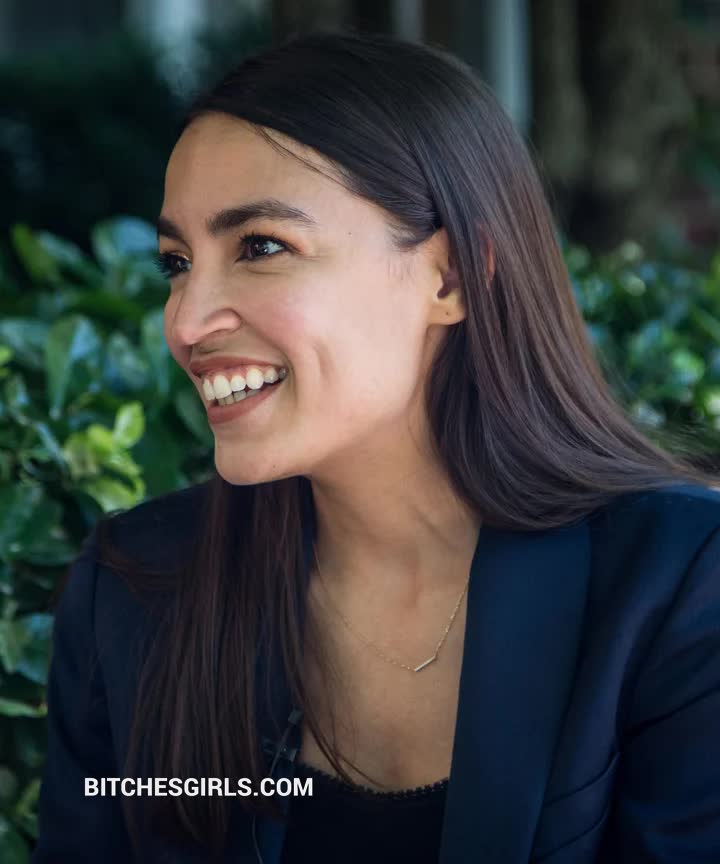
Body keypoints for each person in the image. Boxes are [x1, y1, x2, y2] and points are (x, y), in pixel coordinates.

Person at [32, 29, 720, 864]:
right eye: (177, 262)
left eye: (261, 247)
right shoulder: (134, 591)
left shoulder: (678, 584)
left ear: (451, 277)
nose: (186, 321)